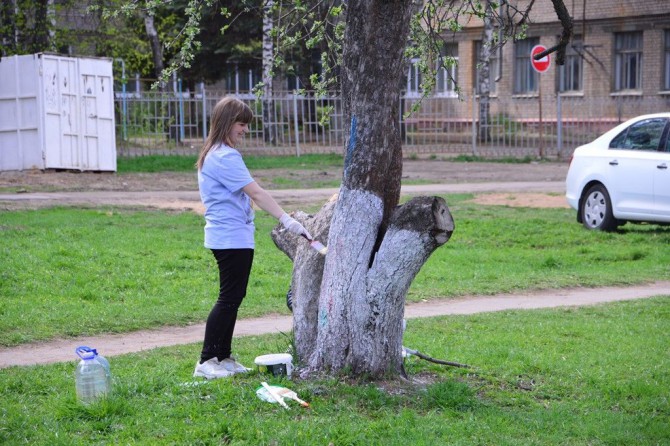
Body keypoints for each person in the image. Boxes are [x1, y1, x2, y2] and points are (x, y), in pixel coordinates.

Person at [193, 96, 310, 379]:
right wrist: (287, 220)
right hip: (230, 237)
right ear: (226, 123)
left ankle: (224, 356)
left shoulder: (218, 153)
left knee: (234, 296)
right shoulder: (224, 157)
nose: (245, 130)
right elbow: (256, 192)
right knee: (229, 297)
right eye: (241, 124)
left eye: (246, 125)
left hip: (232, 235)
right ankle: (207, 360)